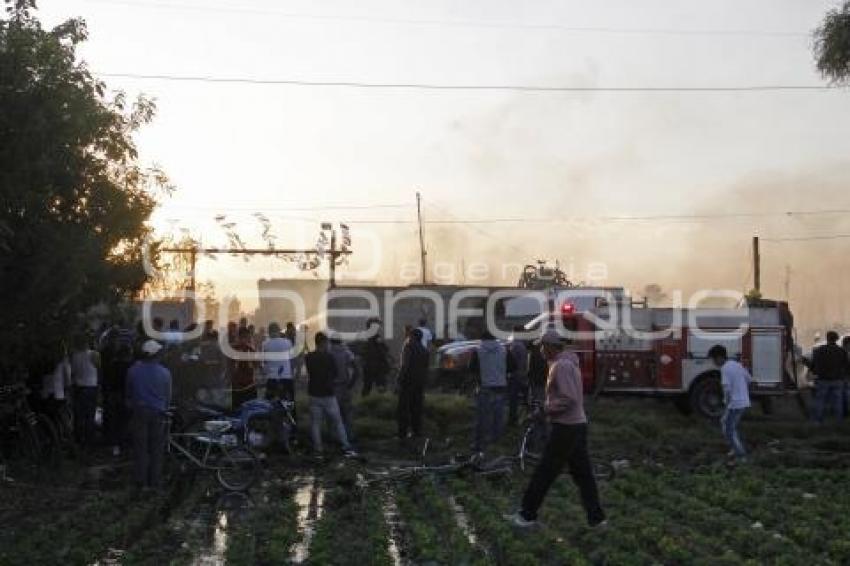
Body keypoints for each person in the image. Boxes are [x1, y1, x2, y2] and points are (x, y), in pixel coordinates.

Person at [506, 331, 606, 529]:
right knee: (583, 474)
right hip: (577, 425)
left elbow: (569, 399)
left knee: (545, 471)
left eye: (542, 346)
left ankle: (527, 515)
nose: (541, 350)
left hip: (566, 427)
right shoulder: (568, 363)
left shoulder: (561, 366)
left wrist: (544, 410)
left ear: (551, 346)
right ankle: (597, 519)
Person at [125, 340, 172, 491]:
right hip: (158, 413)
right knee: (156, 449)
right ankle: (155, 481)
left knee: (141, 448)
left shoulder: (132, 371)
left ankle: (142, 482)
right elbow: (168, 397)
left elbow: (128, 394)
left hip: (139, 412)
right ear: (156, 354)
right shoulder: (165, 372)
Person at [305, 332, 356, 458]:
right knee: (338, 421)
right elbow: (334, 374)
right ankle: (346, 445)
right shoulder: (329, 357)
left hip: (314, 393)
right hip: (328, 394)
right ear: (323, 342)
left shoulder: (309, 357)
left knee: (315, 423)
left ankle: (318, 448)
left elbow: (309, 372)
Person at [469, 330, 515, 453]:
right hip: (501, 386)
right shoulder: (504, 350)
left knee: (482, 417)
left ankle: (479, 444)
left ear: (482, 339)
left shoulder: (478, 350)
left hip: (484, 387)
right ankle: (496, 441)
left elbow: (471, 369)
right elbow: (513, 366)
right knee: (498, 416)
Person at [709, 344, 751, 461]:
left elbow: (726, 388)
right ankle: (734, 448)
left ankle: (741, 455)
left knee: (729, 430)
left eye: (714, 359)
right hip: (743, 402)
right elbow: (748, 379)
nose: (714, 362)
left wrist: (727, 403)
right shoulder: (737, 365)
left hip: (735, 404)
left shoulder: (725, 369)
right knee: (725, 423)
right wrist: (741, 390)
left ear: (719, 358)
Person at [101, 320, 135, 456]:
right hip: (124, 396)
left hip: (112, 394)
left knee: (112, 419)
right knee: (124, 421)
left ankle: (112, 442)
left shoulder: (112, 363)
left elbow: (107, 376)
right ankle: (122, 444)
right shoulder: (130, 368)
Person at [397, 328, 429, 439]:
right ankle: (417, 432)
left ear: (413, 337)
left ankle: (403, 434)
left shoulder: (408, 347)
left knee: (404, 409)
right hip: (420, 383)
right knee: (417, 409)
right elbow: (426, 369)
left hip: (408, 382)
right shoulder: (425, 350)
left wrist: (399, 378)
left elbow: (405, 365)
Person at [810, 331, 849, 422]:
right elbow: (846, 366)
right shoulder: (842, 351)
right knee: (838, 402)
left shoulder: (819, 350)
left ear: (827, 338)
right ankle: (838, 421)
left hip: (823, 379)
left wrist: (815, 372)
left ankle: (817, 421)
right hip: (838, 380)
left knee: (820, 400)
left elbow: (813, 365)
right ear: (837, 339)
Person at [70, 334, 100, 448]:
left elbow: (72, 372)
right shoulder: (94, 354)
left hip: (78, 387)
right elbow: (98, 368)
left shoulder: (74, 356)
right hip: (91, 386)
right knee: (90, 415)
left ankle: (78, 439)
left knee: (78, 415)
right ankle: (89, 440)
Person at [330, 336, 359, 442]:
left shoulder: (329, 352)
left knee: (334, 415)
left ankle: (335, 439)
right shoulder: (347, 352)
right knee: (347, 414)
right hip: (345, 386)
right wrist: (351, 384)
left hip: (333, 388)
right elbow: (356, 370)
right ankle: (349, 437)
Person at [262, 323, 294, 408]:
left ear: (269, 332)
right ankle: (291, 420)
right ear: (279, 331)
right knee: (289, 403)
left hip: (272, 378)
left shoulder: (265, 344)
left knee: (270, 404)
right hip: (286, 376)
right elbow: (291, 358)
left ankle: (272, 420)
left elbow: (265, 361)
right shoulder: (288, 342)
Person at [228, 326, 258, 410]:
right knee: (248, 409)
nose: (246, 340)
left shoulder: (249, 349)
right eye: (245, 337)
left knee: (240, 409)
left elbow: (255, 365)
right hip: (244, 384)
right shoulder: (248, 349)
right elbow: (256, 365)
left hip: (244, 384)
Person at [507, 327, 530, 426]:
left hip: (515, 375)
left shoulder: (515, 345)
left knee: (514, 399)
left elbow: (512, 363)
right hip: (522, 374)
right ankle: (526, 417)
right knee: (526, 398)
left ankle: (513, 419)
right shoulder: (521, 345)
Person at [362, 318, 391, 396]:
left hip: (372, 367)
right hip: (375, 367)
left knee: (369, 388)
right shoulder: (373, 338)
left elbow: (385, 349)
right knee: (376, 388)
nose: (379, 328)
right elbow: (383, 351)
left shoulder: (369, 337)